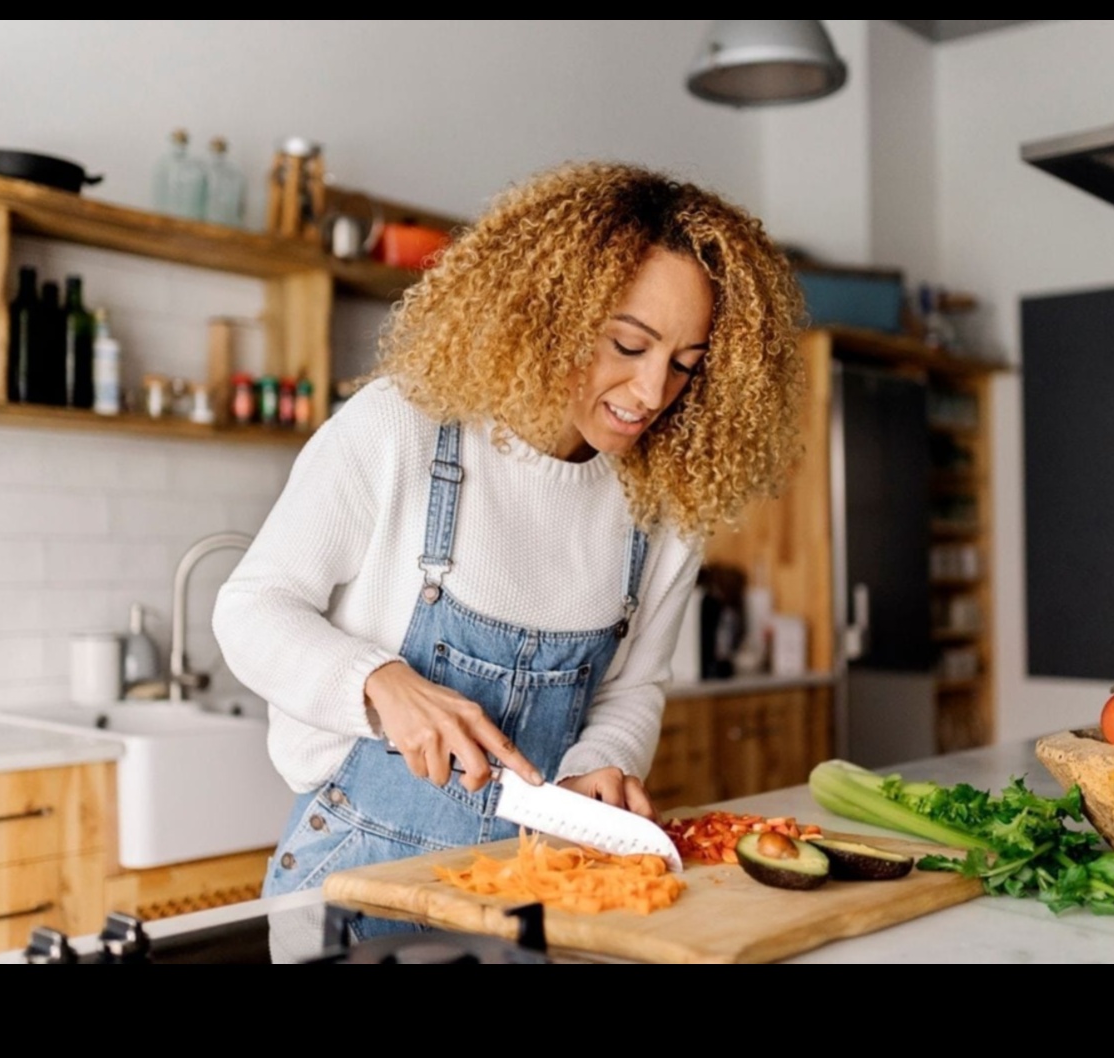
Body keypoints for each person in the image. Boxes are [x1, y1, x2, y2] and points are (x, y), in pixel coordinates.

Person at [212, 160, 806, 903]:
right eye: (628, 346)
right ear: (551, 312)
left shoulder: (664, 505)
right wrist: (377, 680)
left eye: (685, 366)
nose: (653, 392)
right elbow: (251, 608)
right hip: (352, 885)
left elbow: (633, 687)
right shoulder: (401, 428)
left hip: (537, 888)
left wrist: (601, 761)